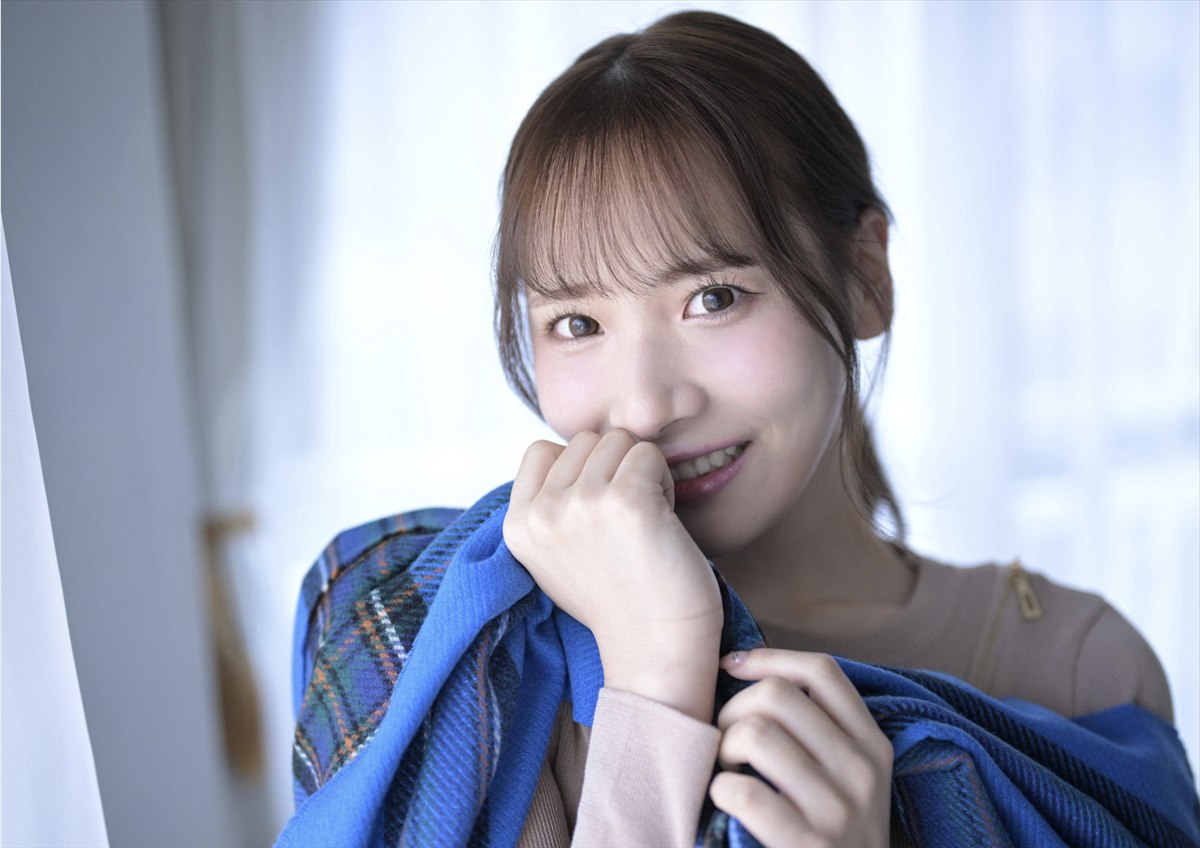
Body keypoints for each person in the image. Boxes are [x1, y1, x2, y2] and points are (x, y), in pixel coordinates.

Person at [282, 11, 1194, 848]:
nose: (645, 407)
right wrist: (652, 669)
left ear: (865, 275)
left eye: (713, 298)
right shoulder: (463, 654)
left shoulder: (1075, 667)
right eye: (578, 323)